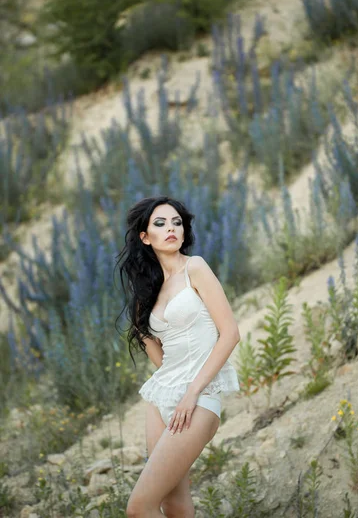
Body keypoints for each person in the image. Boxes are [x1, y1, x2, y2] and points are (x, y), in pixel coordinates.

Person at [116, 195, 241, 518]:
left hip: (199, 398)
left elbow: (229, 333)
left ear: (184, 232)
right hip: (161, 397)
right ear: (145, 237)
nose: (171, 228)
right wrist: (143, 331)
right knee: (173, 504)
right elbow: (159, 355)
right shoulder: (149, 291)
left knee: (138, 507)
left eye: (176, 222)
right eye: (160, 224)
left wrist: (192, 391)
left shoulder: (195, 268)